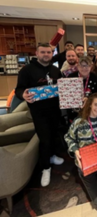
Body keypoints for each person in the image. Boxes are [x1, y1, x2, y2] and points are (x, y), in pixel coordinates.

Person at [15, 43, 63, 187]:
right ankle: (46, 168)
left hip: (55, 109)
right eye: (43, 52)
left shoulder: (55, 70)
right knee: (44, 139)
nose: (46, 54)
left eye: (49, 52)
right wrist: (22, 94)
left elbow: (61, 87)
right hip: (38, 111)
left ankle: (53, 156)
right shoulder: (26, 70)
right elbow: (19, 89)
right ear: (37, 53)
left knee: (55, 135)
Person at [68, 56, 97, 121]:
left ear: (91, 67)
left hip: (91, 112)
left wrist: (90, 99)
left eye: (87, 65)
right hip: (74, 112)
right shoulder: (71, 77)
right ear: (78, 66)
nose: (84, 68)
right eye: (82, 66)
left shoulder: (95, 78)